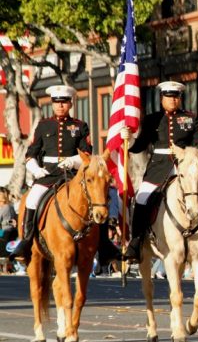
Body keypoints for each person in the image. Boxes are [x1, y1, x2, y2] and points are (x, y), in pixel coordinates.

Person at [121, 81, 198, 263]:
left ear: (180, 98)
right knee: (142, 197)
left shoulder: (191, 118)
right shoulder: (152, 119)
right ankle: (136, 242)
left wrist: (190, 154)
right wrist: (129, 139)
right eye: (168, 96)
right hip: (158, 169)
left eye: (176, 96)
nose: (172, 100)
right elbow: (139, 146)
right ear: (162, 98)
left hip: (185, 167)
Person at [10, 85, 120, 264]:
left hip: (73, 175)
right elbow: (31, 153)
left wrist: (74, 161)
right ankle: (27, 241)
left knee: (99, 199)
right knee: (31, 200)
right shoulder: (43, 125)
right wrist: (36, 169)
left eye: (64, 102)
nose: (60, 105)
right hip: (48, 174)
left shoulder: (80, 126)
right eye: (56, 102)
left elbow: (87, 152)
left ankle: (104, 245)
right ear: (52, 104)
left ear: (70, 103)